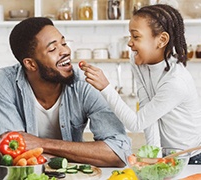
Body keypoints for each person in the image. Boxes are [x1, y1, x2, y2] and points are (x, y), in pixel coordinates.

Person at [0, 17, 132, 167]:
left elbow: (119, 153)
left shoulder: (85, 84)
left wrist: (41, 144)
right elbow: (11, 156)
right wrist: (81, 154)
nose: (66, 51)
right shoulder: (6, 82)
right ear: (31, 64)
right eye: (52, 49)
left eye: (63, 43)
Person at [80, 4, 201, 164]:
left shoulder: (175, 82)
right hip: (167, 157)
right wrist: (154, 157)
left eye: (136, 37)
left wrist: (106, 88)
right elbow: (147, 113)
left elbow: (136, 124)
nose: (130, 43)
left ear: (161, 40)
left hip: (190, 157)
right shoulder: (139, 63)